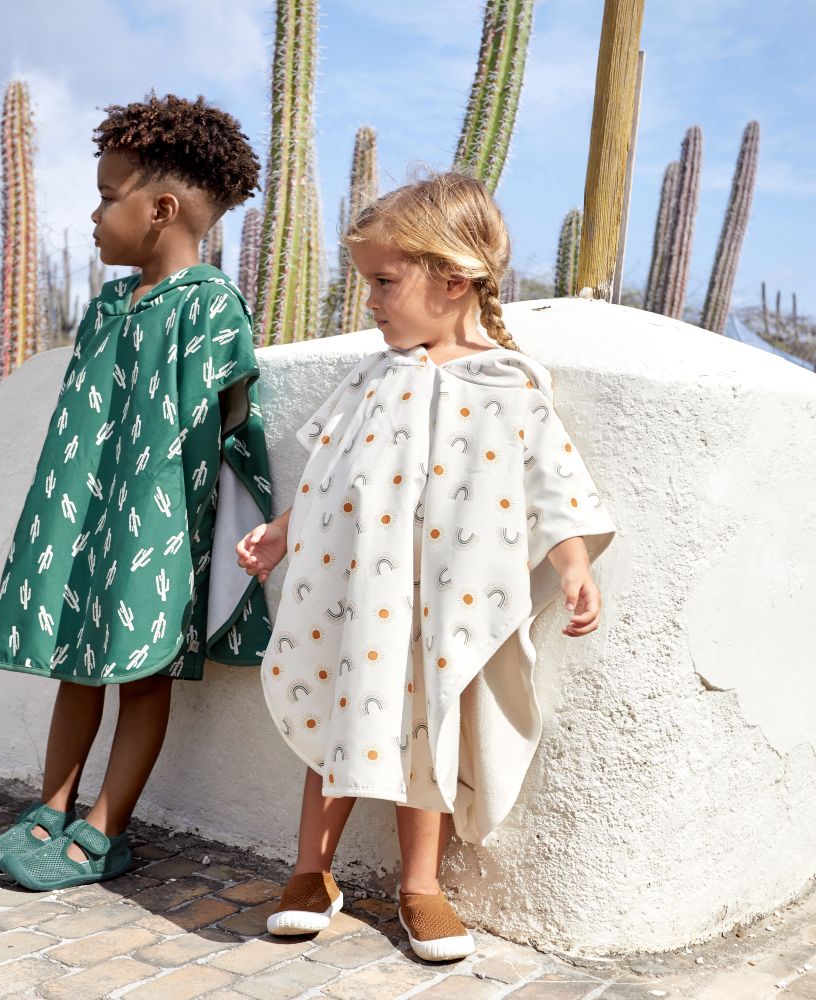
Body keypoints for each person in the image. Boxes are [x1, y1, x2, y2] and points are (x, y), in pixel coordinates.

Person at [236, 171, 617, 961]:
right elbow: (329, 476)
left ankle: (421, 886)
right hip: (352, 600)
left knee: (430, 730)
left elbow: (552, 485)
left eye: (384, 282)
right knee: (335, 722)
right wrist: (280, 532)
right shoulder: (373, 378)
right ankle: (313, 871)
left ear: (455, 279)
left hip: (439, 607)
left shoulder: (510, 386)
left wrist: (574, 561)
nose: (370, 302)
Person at [0, 93, 273, 891]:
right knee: (76, 659)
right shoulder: (110, 305)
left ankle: (104, 831)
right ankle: (52, 809)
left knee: (140, 674)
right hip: (89, 513)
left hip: (157, 519)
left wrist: (197, 533)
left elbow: (235, 423)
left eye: (110, 196)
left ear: (162, 207)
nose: (97, 214)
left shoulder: (210, 305)